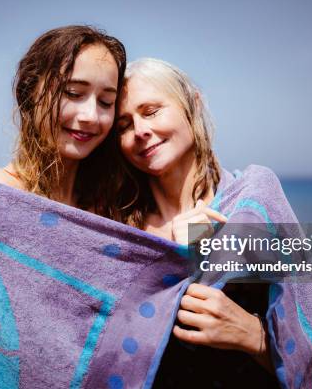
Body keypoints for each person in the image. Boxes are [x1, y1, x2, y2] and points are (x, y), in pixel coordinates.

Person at [113, 58, 283, 387]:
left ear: (193, 103)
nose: (140, 131)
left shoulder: (251, 206)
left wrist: (253, 335)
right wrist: (177, 258)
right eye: (123, 126)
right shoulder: (116, 229)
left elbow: (306, 344)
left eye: (151, 111)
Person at [0, 25, 126, 215]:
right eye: (73, 93)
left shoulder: (112, 205)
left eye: (106, 102)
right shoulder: (0, 191)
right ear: (30, 91)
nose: (91, 116)